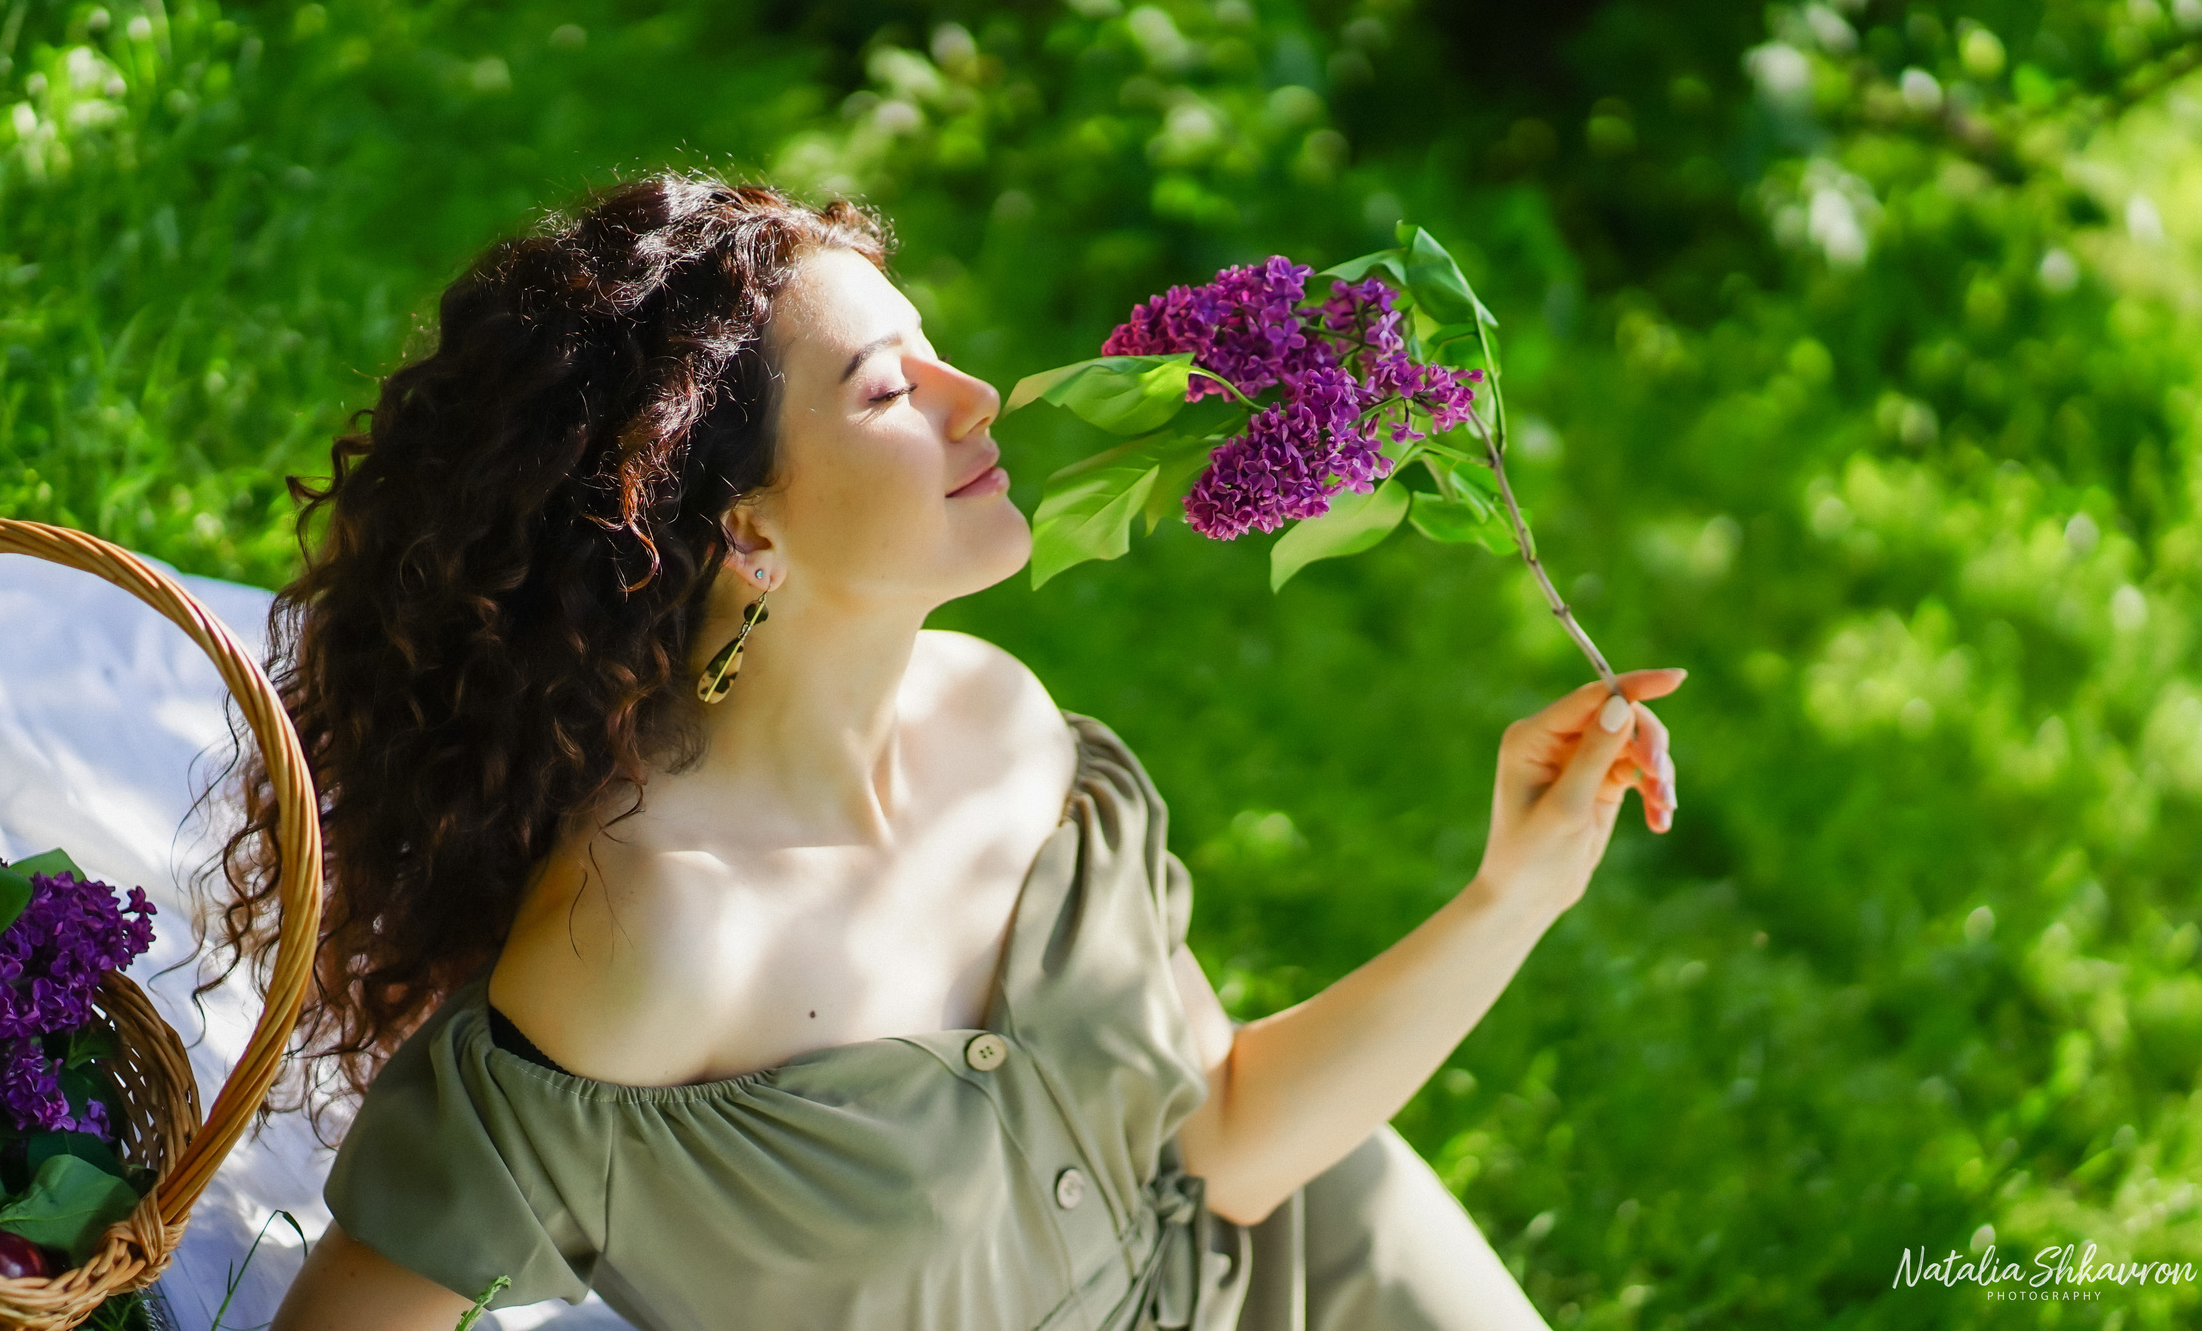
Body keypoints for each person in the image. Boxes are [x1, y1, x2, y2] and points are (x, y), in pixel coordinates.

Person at [227, 173, 1684, 1331]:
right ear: (746, 530)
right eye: (884, 387)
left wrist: (1518, 889)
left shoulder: (1006, 721)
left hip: (1315, 1264)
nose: (972, 395)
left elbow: (1228, 1135)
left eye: (929, 348)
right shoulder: (651, 933)